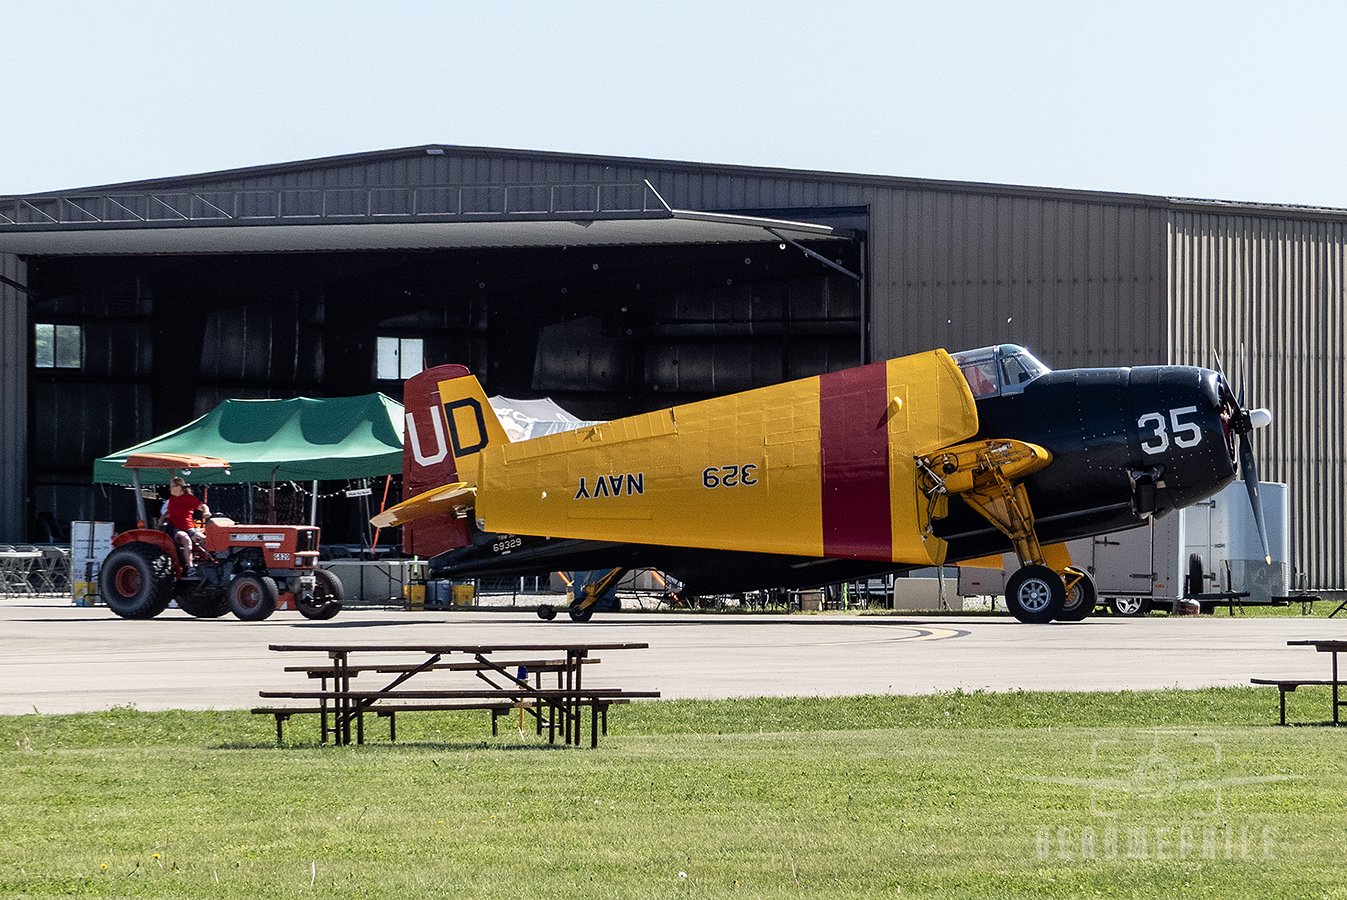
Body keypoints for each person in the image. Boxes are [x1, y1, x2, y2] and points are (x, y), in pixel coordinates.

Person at [163, 477, 210, 571]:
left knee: (202, 538)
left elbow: (202, 506)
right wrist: (161, 519)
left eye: (172, 486)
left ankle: (213, 561)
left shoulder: (189, 498)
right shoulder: (172, 500)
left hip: (188, 527)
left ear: (179, 487)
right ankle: (190, 568)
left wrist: (206, 512)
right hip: (175, 528)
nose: (170, 489)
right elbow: (168, 513)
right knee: (185, 538)